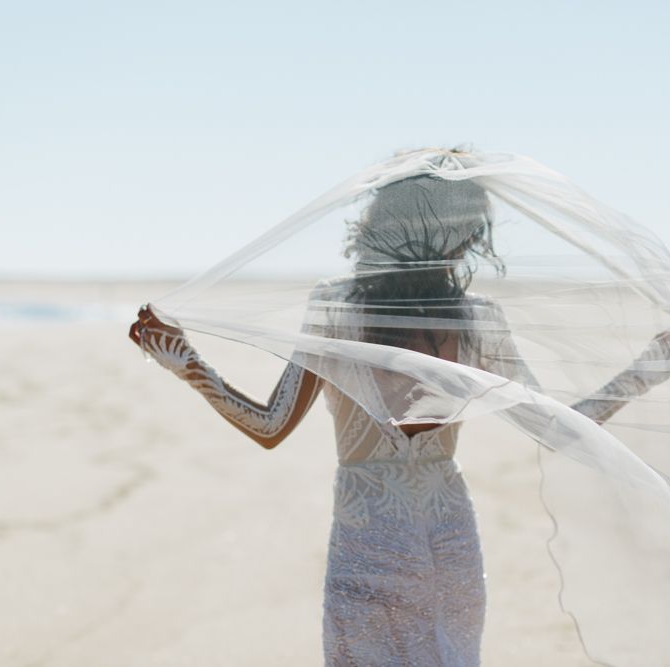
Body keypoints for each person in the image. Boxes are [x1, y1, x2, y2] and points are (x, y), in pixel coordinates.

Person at [129, 157, 670, 666]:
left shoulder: (336, 309)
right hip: (449, 542)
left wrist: (185, 362)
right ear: (463, 236)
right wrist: (647, 367)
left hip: (369, 546)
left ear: (378, 227)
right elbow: (557, 430)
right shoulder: (477, 319)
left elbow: (270, 426)